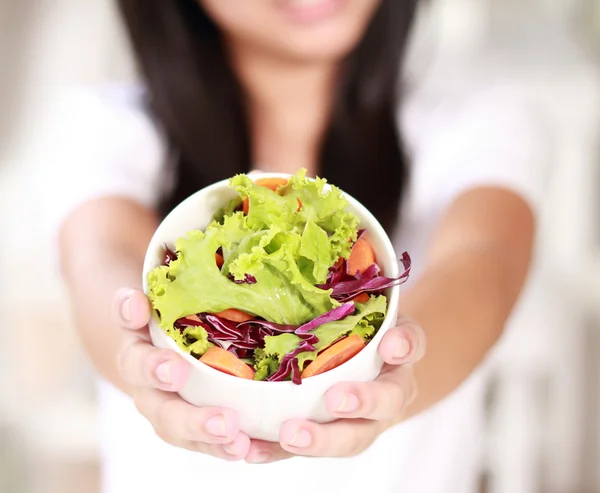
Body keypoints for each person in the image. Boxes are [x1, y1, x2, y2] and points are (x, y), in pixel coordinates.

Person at [54, 1, 549, 492]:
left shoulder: (479, 125)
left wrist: (393, 373)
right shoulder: (103, 128)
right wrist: (137, 349)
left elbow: (483, 267)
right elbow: (101, 257)